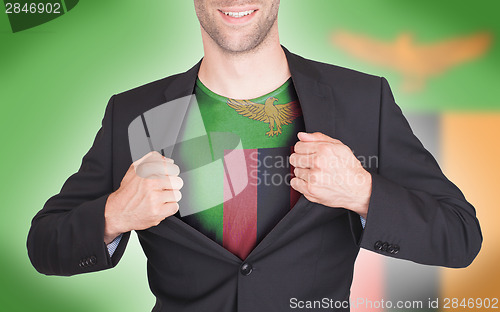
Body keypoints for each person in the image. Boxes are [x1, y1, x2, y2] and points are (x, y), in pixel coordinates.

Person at [27, 1, 482, 311]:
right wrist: (114, 214)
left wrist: (363, 192)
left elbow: (461, 236)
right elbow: (44, 245)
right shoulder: (134, 113)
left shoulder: (363, 100)